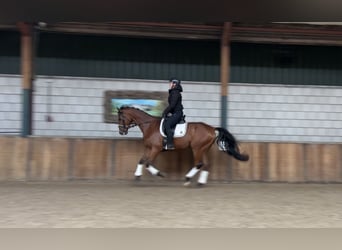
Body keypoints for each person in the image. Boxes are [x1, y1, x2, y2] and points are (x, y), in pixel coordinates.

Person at [162, 77, 184, 150]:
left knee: (167, 124)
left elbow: (172, 105)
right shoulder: (174, 92)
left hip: (177, 113)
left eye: (171, 83)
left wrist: (165, 112)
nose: (169, 84)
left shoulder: (175, 92)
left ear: (174, 84)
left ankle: (170, 144)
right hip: (175, 112)